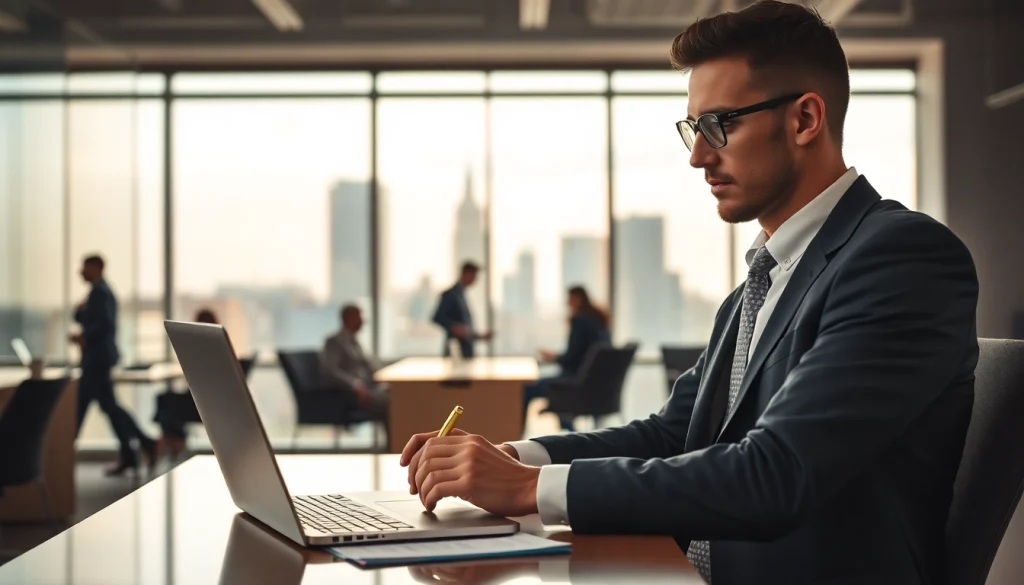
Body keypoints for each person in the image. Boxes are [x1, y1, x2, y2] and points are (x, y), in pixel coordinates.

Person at [399, 3, 979, 584]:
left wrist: (528, 490)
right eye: (693, 129)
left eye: (719, 125)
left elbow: (776, 474)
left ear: (804, 120)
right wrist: (519, 458)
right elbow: (674, 434)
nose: (699, 155)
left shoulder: (902, 259)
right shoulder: (761, 283)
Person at [72, 254, 157, 476]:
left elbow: (104, 324)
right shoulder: (96, 292)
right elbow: (82, 318)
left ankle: (59, 456)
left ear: (96, 268)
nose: (81, 272)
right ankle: (139, 448)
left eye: (85, 267)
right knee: (110, 407)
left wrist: (85, 338)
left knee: (81, 408)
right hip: (97, 360)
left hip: (97, 361)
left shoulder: (100, 292)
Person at [523, 285, 611, 432]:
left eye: (569, 299)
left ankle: (512, 438)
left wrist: (554, 357)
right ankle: (569, 429)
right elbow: (581, 355)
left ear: (577, 299)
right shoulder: (599, 322)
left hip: (574, 384)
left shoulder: (580, 321)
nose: (567, 303)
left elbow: (571, 358)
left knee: (525, 389)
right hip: (596, 388)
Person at [152, 308, 219, 460]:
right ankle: (174, 439)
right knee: (164, 399)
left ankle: (173, 440)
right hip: (206, 401)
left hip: (202, 404)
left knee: (165, 400)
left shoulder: (206, 349)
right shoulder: (215, 346)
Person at [319, 304, 389, 423]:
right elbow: (330, 371)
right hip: (353, 394)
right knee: (395, 404)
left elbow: (368, 364)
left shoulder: (355, 342)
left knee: (400, 396)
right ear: (348, 318)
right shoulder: (333, 342)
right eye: (359, 316)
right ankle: (400, 440)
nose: (363, 320)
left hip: (371, 387)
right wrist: (355, 385)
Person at [432, 261, 492, 358]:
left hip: (466, 350)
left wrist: (479, 336)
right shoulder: (451, 295)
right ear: (466, 274)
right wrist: (453, 327)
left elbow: (465, 330)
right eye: (474, 276)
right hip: (456, 351)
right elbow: (437, 317)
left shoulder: (461, 295)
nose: (475, 280)